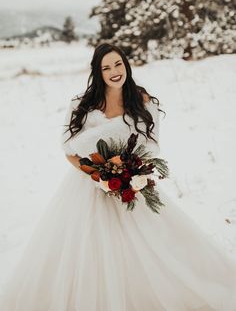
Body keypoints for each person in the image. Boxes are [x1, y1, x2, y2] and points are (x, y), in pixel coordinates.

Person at [0, 43, 236, 311]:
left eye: (118, 64)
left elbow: (152, 146)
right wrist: (99, 175)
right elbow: (68, 150)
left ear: (126, 65)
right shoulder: (81, 104)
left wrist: (128, 173)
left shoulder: (143, 102)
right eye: (106, 67)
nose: (114, 71)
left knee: (152, 247)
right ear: (97, 72)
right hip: (86, 187)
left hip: (131, 185)